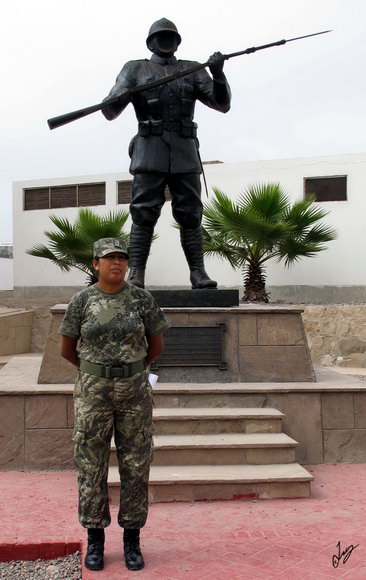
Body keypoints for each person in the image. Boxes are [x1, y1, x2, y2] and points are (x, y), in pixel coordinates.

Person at [59, 237, 169, 572]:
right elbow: (67, 348)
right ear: (96, 264)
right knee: (91, 464)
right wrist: (98, 373)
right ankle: (94, 538)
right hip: (93, 393)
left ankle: (132, 539)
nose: (116, 263)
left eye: (122, 258)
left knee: (136, 463)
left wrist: (129, 371)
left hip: (134, 392)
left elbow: (156, 346)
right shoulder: (81, 301)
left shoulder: (141, 300)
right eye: (109, 258)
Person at [102, 17, 231, 290]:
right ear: (150, 41)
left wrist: (218, 74)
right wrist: (120, 96)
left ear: (177, 41)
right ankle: (136, 272)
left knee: (191, 214)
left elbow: (221, 104)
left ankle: (198, 273)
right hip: (149, 151)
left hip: (184, 150)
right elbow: (109, 110)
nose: (166, 41)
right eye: (160, 36)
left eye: (170, 36)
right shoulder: (134, 68)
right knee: (143, 213)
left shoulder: (194, 69)